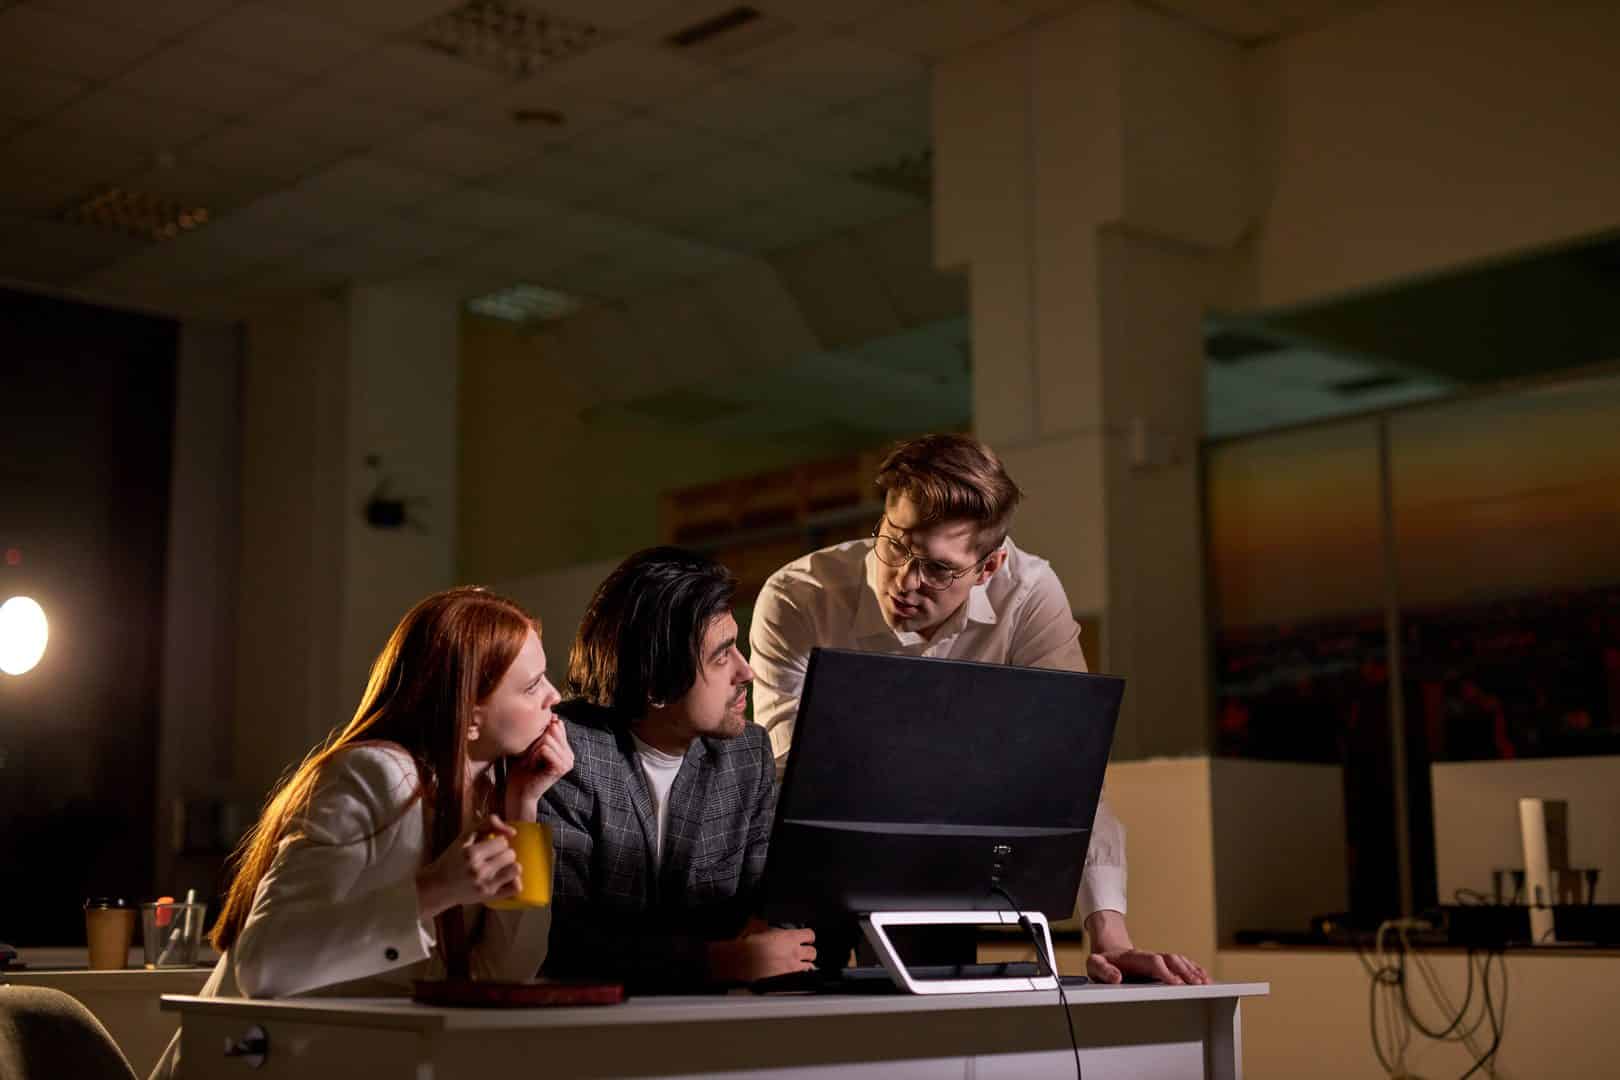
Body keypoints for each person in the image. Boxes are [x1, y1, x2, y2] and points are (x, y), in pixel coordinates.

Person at [749, 433, 1209, 986]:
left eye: (938, 570)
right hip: (814, 850)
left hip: (936, 863)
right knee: (787, 1017)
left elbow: (1067, 774)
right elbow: (786, 773)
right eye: (895, 544)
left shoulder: (1030, 594)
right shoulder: (799, 595)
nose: (904, 581)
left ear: (989, 567)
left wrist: (1111, 936)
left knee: (932, 1039)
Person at [151, 587, 573, 1079]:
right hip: (259, 1064)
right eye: (532, 685)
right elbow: (265, 967)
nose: (555, 697)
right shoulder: (373, 775)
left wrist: (524, 805)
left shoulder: (494, 792)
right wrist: (433, 891)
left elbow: (506, 977)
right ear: (470, 713)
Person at [538, 547, 816, 991]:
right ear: (656, 683)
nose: (746, 671)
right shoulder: (564, 754)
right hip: (587, 1028)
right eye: (722, 656)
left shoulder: (747, 752)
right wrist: (719, 961)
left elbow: (767, 904)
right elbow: (564, 943)